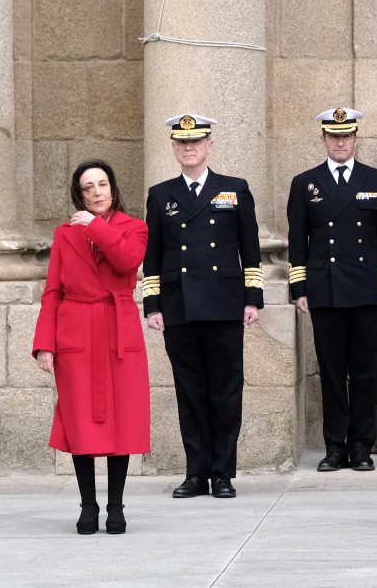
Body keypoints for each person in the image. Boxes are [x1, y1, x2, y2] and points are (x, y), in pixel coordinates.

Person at [143, 114, 263, 500]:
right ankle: (195, 472)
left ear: (209, 146)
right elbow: (154, 256)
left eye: (196, 142)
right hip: (179, 307)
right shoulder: (161, 194)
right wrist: (153, 304)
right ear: (174, 149)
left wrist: (252, 298)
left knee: (226, 392)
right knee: (190, 392)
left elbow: (251, 249)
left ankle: (222, 472)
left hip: (224, 304)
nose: (189, 148)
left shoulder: (234, 189)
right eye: (181, 143)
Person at [33, 160, 149, 534]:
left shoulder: (136, 227)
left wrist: (96, 226)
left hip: (118, 330)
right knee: (79, 419)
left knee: (123, 421)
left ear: (113, 189)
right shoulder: (64, 234)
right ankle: (88, 505)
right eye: (89, 187)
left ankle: (116, 505)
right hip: (76, 332)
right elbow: (53, 291)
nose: (98, 192)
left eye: (103, 184)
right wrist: (44, 344)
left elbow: (127, 260)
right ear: (79, 194)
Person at [286, 108, 377, 472]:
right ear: (323, 140)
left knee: (365, 371)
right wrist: (298, 287)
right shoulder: (305, 182)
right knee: (332, 372)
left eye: (346, 135)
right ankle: (335, 446)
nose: (339, 141)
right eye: (333, 136)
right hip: (325, 290)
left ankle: (361, 446)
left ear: (356, 140)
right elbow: (297, 240)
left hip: (367, 290)